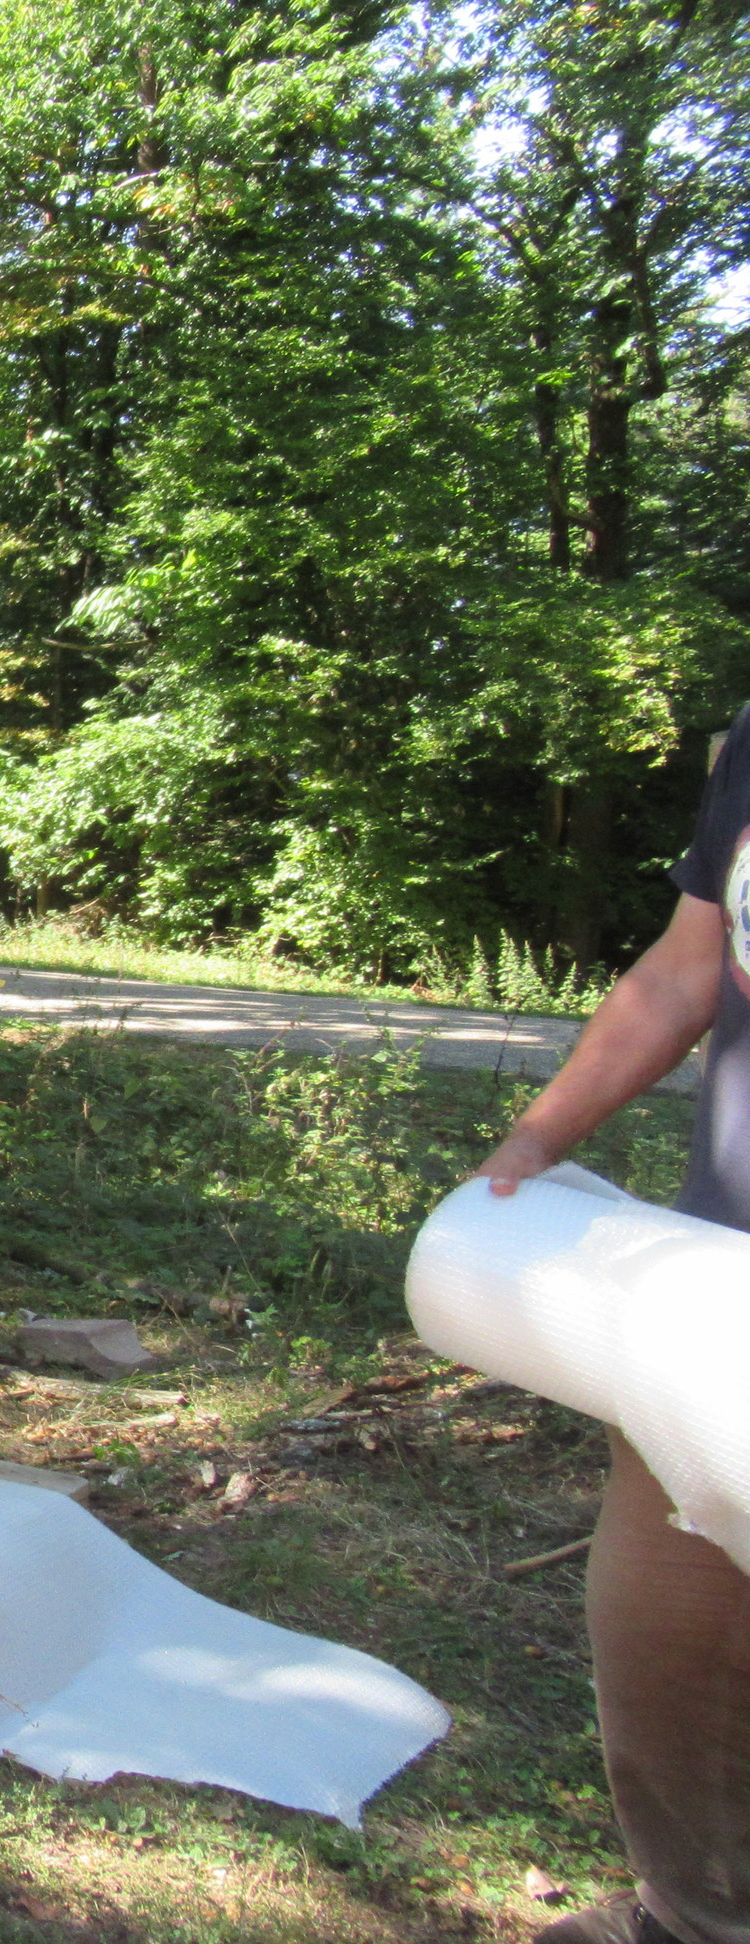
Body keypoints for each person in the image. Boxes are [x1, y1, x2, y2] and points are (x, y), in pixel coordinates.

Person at [471, 722, 750, 1944]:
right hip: (719, 1294)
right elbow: (687, 972)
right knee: (669, 1626)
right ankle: (694, 1916)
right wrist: (537, 1141)